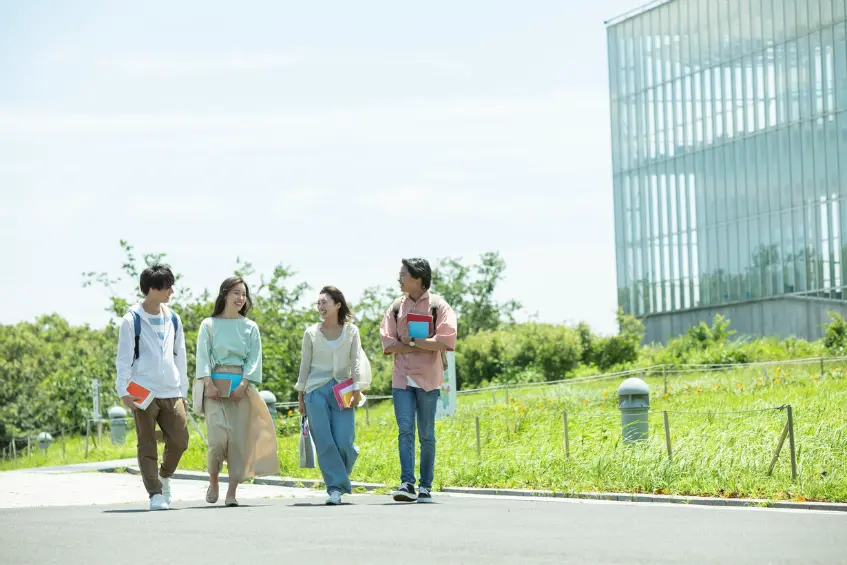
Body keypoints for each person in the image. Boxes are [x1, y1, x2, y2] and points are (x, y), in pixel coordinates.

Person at [195, 276, 279, 507]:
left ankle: (232, 492)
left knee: (238, 442)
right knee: (218, 438)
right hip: (214, 387)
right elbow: (202, 356)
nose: (241, 298)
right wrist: (208, 383)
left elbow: (254, 359)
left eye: (243, 294)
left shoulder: (250, 327)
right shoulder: (208, 325)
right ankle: (213, 481)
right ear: (224, 294)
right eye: (236, 293)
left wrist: (244, 384)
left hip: (241, 387)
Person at [380, 258, 457, 503]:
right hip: (401, 377)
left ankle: (425, 485)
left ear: (419, 278)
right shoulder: (395, 307)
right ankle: (407, 483)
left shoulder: (438, 305)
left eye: (403, 274)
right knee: (405, 431)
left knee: (426, 434)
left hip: (428, 378)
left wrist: (412, 343)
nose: (399, 278)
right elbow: (388, 342)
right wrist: (422, 344)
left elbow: (446, 340)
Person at [115, 264, 188, 511]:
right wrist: (123, 391)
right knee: (146, 443)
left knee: (180, 440)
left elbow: (181, 357)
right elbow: (123, 360)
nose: (172, 291)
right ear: (153, 288)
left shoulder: (174, 318)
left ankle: (164, 476)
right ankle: (155, 493)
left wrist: (184, 391)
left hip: (171, 390)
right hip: (142, 390)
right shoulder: (131, 320)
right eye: (167, 286)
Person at [295, 286, 371, 505]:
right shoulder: (310, 333)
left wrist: (357, 389)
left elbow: (356, 361)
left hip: (343, 390)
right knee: (325, 442)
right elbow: (305, 365)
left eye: (324, 302)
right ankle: (335, 489)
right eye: (318, 303)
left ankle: (340, 471)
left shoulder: (351, 331)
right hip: (314, 391)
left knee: (344, 441)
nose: (320, 307)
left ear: (337, 304)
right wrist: (300, 397)